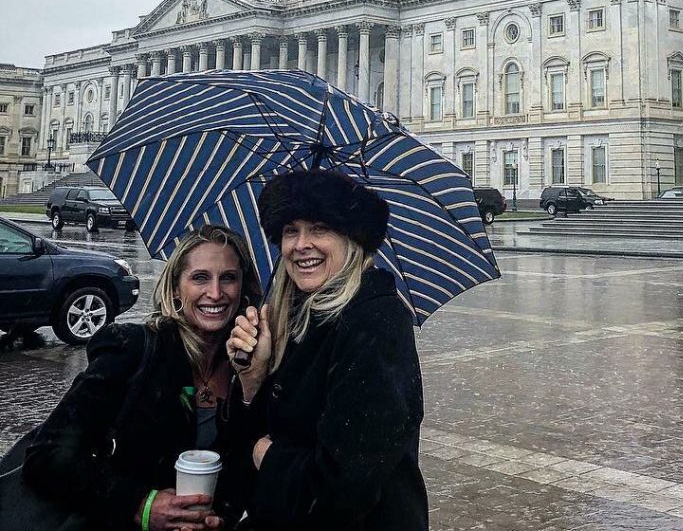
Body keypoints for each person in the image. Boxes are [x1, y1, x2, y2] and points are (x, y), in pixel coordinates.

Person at [23, 225, 262, 531]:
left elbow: (242, 468)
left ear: (243, 287)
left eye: (228, 278)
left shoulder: (250, 364)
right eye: (200, 277)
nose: (215, 293)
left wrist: (220, 516)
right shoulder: (133, 348)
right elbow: (46, 455)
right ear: (176, 287)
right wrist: (139, 504)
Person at [226, 169, 428, 530]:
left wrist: (267, 456)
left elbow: (345, 485)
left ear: (352, 238)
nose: (301, 244)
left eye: (320, 228)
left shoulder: (375, 321)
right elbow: (250, 438)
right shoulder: (294, 313)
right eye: (291, 230)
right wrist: (251, 379)